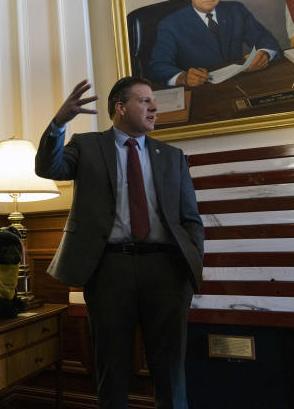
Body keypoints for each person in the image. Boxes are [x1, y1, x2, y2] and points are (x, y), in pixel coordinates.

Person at [35, 77, 204, 409]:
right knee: (111, 369)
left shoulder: (172, 156)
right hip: (109, 269)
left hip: (166, 271)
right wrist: (58, 123)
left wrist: (190, 262)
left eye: (153, 100)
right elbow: (48, 167)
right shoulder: (87, 146)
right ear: (120, 107)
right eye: (144, 101)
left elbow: (190, 218)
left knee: (170, 370)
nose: (154, 106)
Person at [148, 0, 281, 87]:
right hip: (201, 90)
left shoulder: (236, 10)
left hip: (238, 83)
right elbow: (158, 66)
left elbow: (265, 38)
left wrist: (264, 53)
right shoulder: (170, 24)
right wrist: (183, 78)